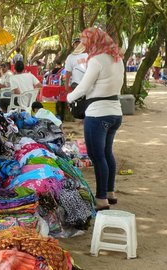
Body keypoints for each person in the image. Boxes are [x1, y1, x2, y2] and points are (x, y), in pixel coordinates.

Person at [66, 27, 124, 211]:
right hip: (115, 112)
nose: (84, 46)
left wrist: (68, 98)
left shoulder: (97, 60)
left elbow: (83, 87)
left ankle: (100, 200)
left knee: (97, 157)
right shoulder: (117, 58)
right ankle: (110, 193)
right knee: (107, 154)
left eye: (86, 42)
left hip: (98, 114)